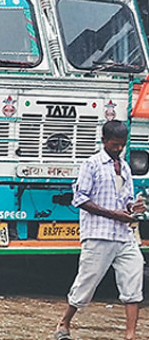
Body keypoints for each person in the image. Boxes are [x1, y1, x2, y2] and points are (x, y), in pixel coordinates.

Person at [56, 120, 145, 340]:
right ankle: (64, 323)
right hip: (98, 234)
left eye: (122, 145)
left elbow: (126, 200)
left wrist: (133, 207)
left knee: (134, 280)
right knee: (86, 283)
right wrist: (113, 214)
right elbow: (80, 199)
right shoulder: (91, 164)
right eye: (115, 144)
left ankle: (130, 335)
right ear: (104, 141)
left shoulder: (125, 167)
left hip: (124, 235)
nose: (119, 149)